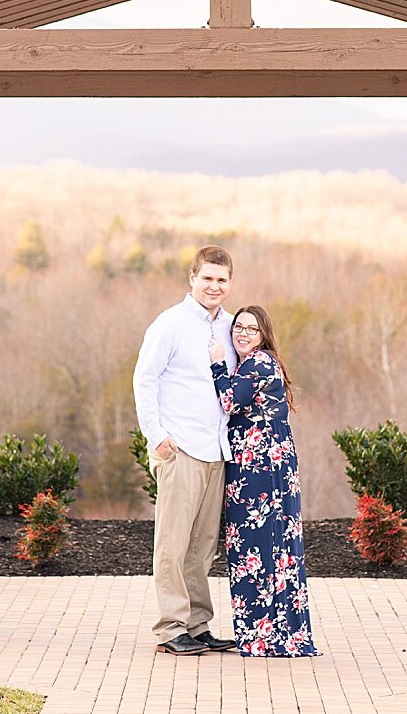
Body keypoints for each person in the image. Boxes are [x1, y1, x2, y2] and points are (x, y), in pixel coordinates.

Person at [133, 244, 240, 656]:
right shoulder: (170, 324)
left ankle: (197, 625)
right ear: (192, 278)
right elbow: (145, 379)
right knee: (173, 545)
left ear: (229, 284)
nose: (214, 286)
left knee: (202, 548)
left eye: (222, 280)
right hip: (180, 449)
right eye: (207, 278)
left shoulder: (231, 327)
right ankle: (171, 627)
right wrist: (156, 435)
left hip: (216, 451)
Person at [208, 305, 318, 658]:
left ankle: (265, 635)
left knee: (256, 546)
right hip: (262, 466)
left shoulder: (259, 363)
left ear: (263, 335)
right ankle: (269, 632)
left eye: (251, 330)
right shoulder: (253, 364)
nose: (242, 333)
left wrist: (215, 362)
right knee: (263, 547)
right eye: (238, 327)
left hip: (262, 470)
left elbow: (228, 401)